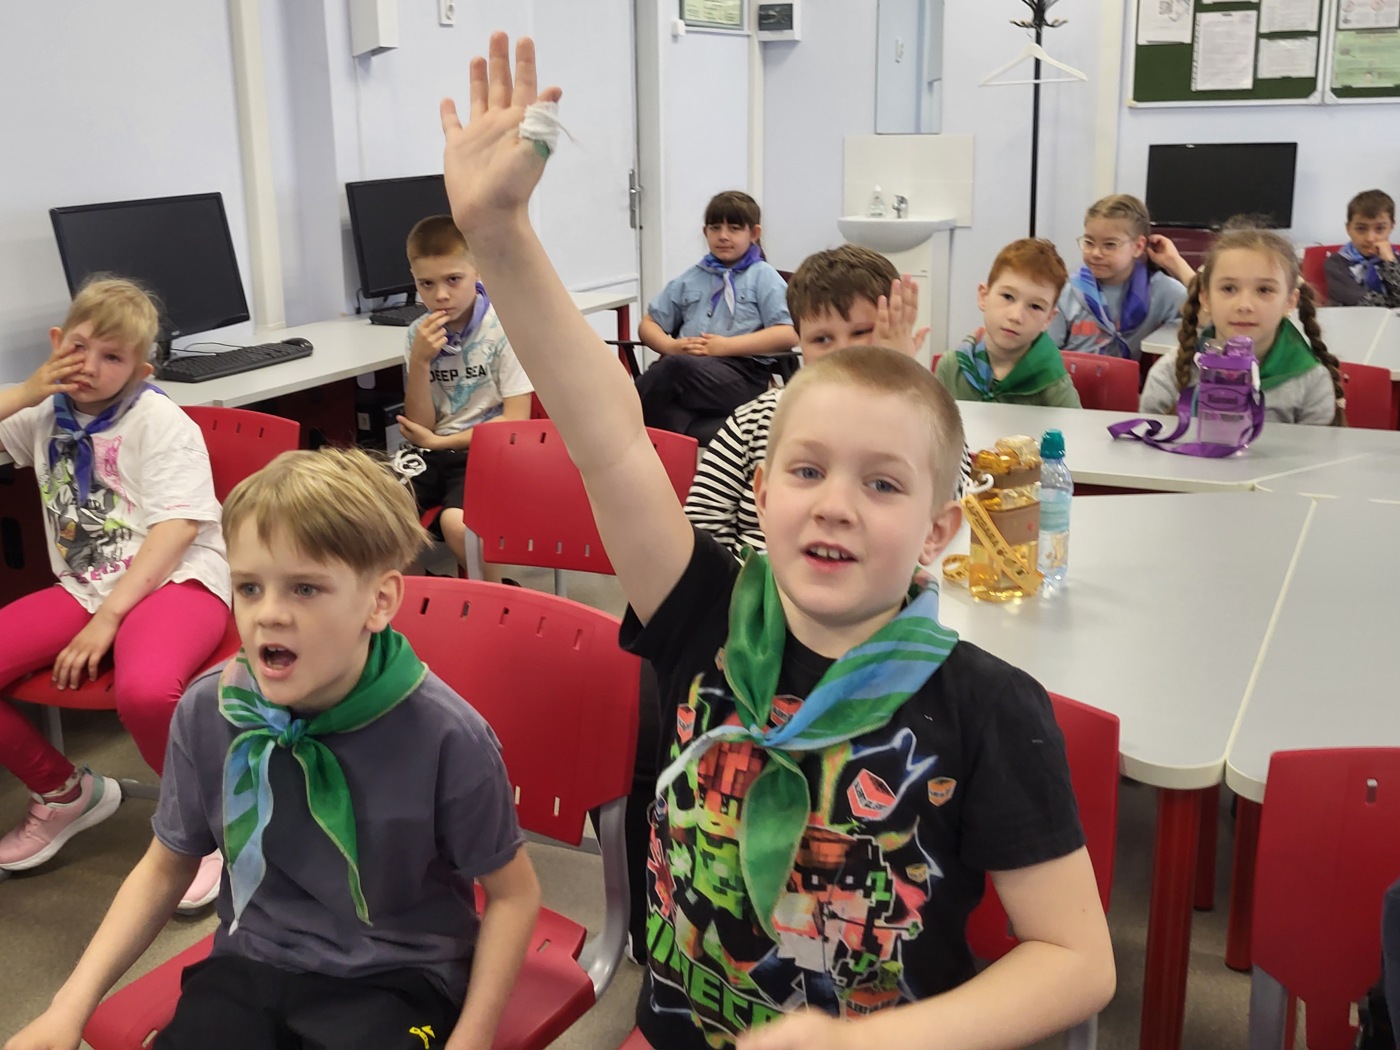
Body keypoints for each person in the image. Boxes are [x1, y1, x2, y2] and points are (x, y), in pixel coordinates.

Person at [438, 33, 1115, 1050]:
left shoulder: (986, 707)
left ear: (938, 528)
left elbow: (1076, 960)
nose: (835, 504)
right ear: (759, 494)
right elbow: (607, 437)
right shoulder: (703, 614)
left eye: (881, 483)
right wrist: (497, 238)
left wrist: (854, 1044)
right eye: (806, 472)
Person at [4, 447, 540, 1050]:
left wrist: (472, 1039)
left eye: (305, 588)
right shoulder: (209, 711)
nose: (268, 615)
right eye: (249, 587)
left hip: (397, 975)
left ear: (379, 601)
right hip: (252, 960)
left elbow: (513, 896)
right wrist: (68, 1010)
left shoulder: (447, 736)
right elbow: (166, 864)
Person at [0, 277, 229, 911]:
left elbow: (178, 529)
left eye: (112, 357)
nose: (90, 367)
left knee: (145, 690)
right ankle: (65, 793)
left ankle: (204, 828)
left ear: (140, 369)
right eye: (79, 348)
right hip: (85, 583)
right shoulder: (44, 411)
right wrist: (28, 390)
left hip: (177, 577)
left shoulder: (159, 421)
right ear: (56, 342)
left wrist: (109, 617)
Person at [685, 243, 937, 560]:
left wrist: (899, 383)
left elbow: (936, 522)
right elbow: (700, 534)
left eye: (862, 332)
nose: (843, 352)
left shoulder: (922, 422)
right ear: (801, 346)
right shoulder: (754, 420)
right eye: (822, 339)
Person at [395, 214, 534, 579]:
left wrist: (440, 442)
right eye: (426, 284)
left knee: (458, 525)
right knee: (374, 513)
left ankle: (498, 597)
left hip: (488, 451)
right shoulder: (418, 335)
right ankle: (422, 593)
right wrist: (420, 362)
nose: (440, 295)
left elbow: (515, 420)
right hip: (431, 451)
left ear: (477, 271)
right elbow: (420, 426)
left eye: (453, 280)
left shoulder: (504, 329)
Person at [1141, 227, 1346, 425]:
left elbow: (1317, 449)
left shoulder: (1311, 381)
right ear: (1206, 298)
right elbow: (1147, 445)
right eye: (1229, 288)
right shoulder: (1170, 373)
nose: (1244, 305)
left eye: (1264, 290)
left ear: (1290, 302)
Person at [634, 190, 798, 437]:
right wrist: (670, 346)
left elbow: (788, 333)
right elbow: (648, 324)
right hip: (687, 371)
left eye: (734, 228)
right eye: (715, 228)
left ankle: (615, 421)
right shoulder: (693, 277)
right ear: (705, 232)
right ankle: (662, 453)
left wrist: (725, 346)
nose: (723, 236)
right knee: (669, 409)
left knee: (670, 372)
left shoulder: (763, 276)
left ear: (754, 234)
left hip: (741, 376)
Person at [933, 238, 1081, 408]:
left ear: (1048, 319)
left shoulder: (1052, 381)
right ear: (983, 296)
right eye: (1008, 297)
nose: (1016, 316)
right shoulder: (952, 368)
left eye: (1035, 306)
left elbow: (1075, 426)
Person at [1049, 193, 1192, 360]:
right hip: (1067, 375)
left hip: (1128, 377)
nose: (1095, 253)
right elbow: (1046, 352)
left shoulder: (1161, 290)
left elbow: (1210, 313)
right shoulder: (1067, 290)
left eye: (1110, 245)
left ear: (1138, 246)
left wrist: (1176, 263)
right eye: (1089, 242)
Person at [1325, 189, 1400, 308]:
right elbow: (1359, 301)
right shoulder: (1336, 263)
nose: (1370, 238)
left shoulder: (1396, 260)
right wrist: (1394, 302)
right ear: (1348, 228)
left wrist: (1390, 263)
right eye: (1361, 228)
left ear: (1391, 227)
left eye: (1380, 228)